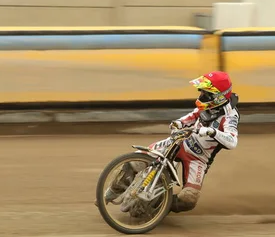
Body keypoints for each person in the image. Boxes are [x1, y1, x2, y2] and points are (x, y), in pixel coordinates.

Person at [99, 71, 240, 213]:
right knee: (135, 161)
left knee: (189, 199)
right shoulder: (207, 106)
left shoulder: (230, 116)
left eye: (206, 94)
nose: (201, 96)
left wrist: (213, 132)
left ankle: (159, 206)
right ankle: (109, 193)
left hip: (198, 158)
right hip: (181, 141)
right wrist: (179, 122)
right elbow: (193, 116)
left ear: (217, 97)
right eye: (202, 92)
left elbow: (232, 141)